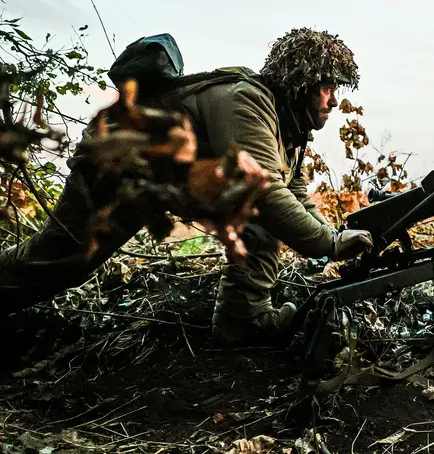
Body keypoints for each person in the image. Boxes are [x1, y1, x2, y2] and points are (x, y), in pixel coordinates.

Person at [0, 27, 374, 345]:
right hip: (115, 166)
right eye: (327, 87)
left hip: (157, 179)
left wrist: (334, 235)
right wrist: (330, 244)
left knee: (261, 219)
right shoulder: (247, 101)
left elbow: (292, 193)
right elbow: (264, 189)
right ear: (300, 82)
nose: (334, 100)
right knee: (59, 261)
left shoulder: (287, 126)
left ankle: (242, 319)